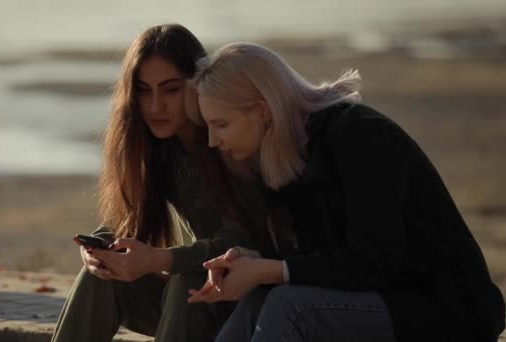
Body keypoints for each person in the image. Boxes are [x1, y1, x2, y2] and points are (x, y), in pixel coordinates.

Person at [187, 42, 505, 342]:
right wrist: (254, 263)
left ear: (262, 112)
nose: (213, 141)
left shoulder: (360, 136)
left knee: (291, 304)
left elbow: (373, 263)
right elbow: (319, 258)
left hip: (447, 308)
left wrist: (269, 270)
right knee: (263, 292)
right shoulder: (289, 154)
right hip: (389, 299)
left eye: (221, 124)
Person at [51, 26, 268, 342]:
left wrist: (165, 260)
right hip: (192, 304)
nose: (155, 107)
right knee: (101, 275)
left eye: (170, 90)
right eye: (143, 90)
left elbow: (245, 242)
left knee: (187, 280)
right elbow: (133, 226)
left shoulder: (227, 138)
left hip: (251, 304)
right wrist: (101, 251)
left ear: (197, 85)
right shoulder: (160, 148)